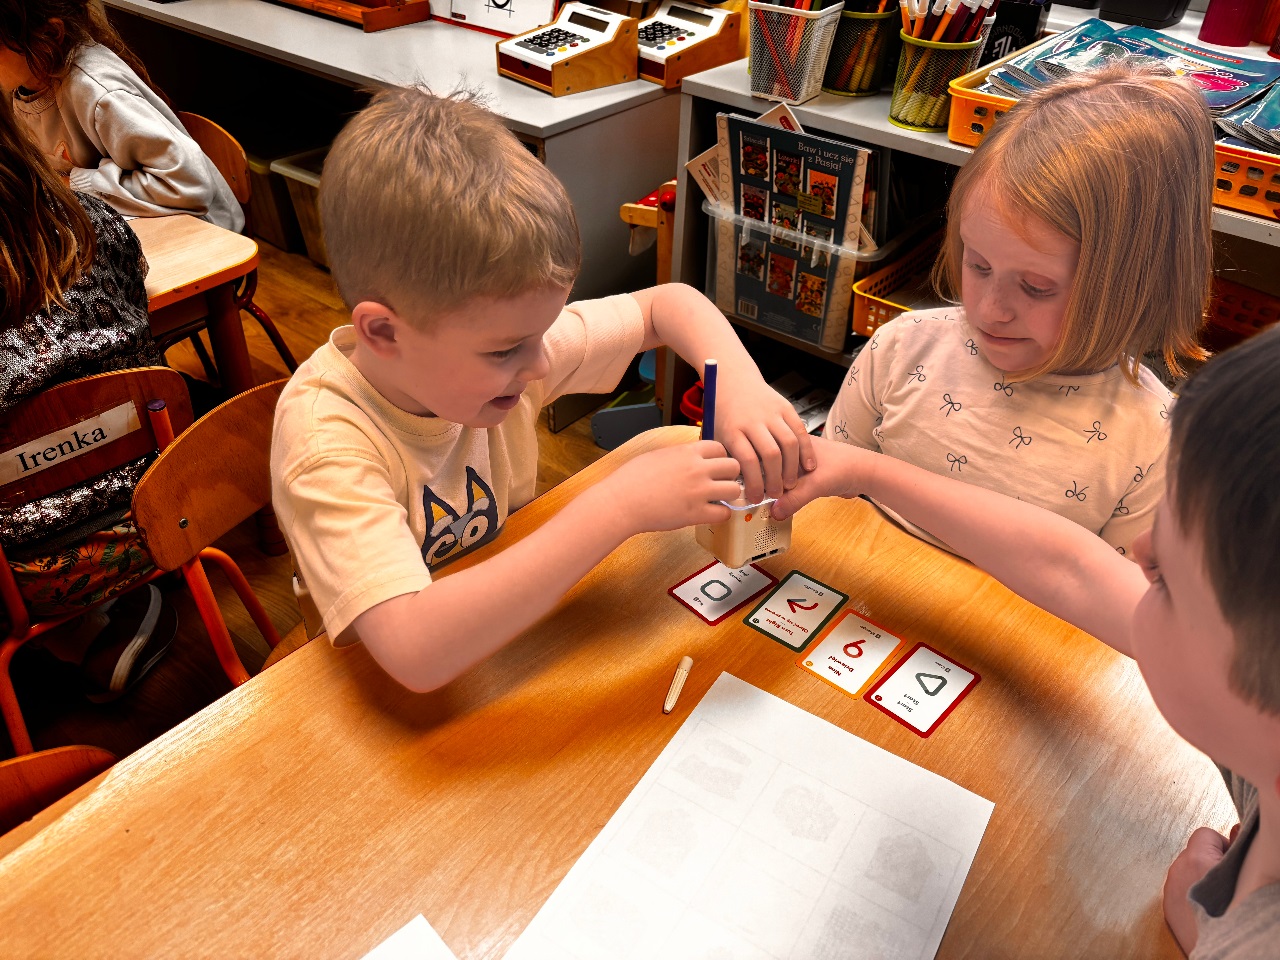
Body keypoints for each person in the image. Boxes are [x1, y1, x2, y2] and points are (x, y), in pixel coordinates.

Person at [271, 86, 815, 693]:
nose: (538, 364)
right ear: (383, 332)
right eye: (505, 349)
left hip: (496, 649)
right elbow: (415, 650)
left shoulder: (502, 351)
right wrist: (618, 507)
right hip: (370, 691)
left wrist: (737, 383)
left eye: (542, 333)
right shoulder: (327, 443)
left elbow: (668, 304)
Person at [771, 327, 1280, 959]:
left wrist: (1218, 931)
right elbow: (1071, 566)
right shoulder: (1250, 705)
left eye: (1166, 579)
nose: (1141, 552)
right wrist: (866, 470)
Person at [825, 63, 1213, 558]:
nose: (990, 310)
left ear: (1131, 285)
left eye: (1035, 287)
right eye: (978, 265)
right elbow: (826, 501)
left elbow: (1123, 600)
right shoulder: (902, 347)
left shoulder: (1155, 443)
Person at [0, 89, 175, 702]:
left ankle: (77, 637)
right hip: (161, 512)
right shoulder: (92, 222)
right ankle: (95, 630)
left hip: (20, 579)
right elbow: (139, 331)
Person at [0, 0, 242, 232]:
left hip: (205, 235)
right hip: (120, 221)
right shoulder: (20, 82)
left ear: (50, 35)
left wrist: (71, 183)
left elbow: (189, 185)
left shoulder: (98, 91)